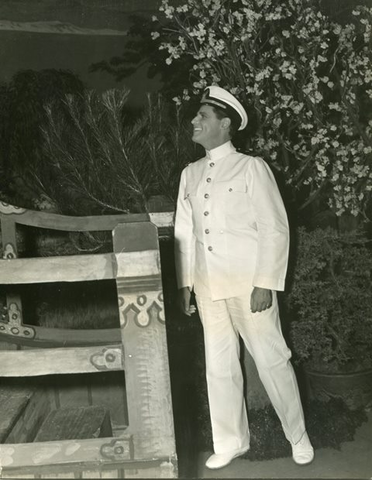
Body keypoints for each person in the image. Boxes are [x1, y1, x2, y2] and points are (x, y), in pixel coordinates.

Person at [174, 85, 314, 470]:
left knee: (272, 361)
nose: (194, 121)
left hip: (248, 285)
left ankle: (297, 436)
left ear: (225, 125)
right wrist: (186, 283)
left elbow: (275, 228)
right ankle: (231, 440)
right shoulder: (190, 173)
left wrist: (265, 282)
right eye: (196, 115)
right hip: (207, 286)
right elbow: (184, 233)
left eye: (203, 117)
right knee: (219, 366)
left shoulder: (251, 167)